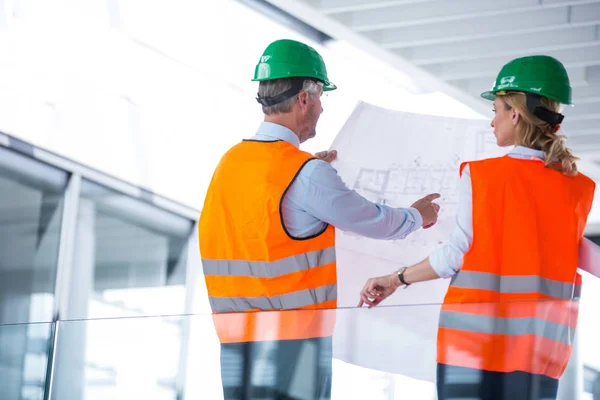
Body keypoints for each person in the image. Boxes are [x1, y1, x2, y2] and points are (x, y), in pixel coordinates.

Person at [198, 38, 441, 400]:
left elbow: (263, 226)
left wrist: (310, 176)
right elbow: (373, 221)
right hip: (292, 346)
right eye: (322, 98)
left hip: (236, 345)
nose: (323, 109)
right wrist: (417, 216)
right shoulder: (306, 174)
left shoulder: (230, 163)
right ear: (304, 99)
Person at [358, 55, 596, 400]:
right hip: (541, 353)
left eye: (497, 109)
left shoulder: (483, 176)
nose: (492, 121)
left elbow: (455, 255)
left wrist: (396, 278)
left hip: (472, 349)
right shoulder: (579, 187)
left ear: (516, 113)